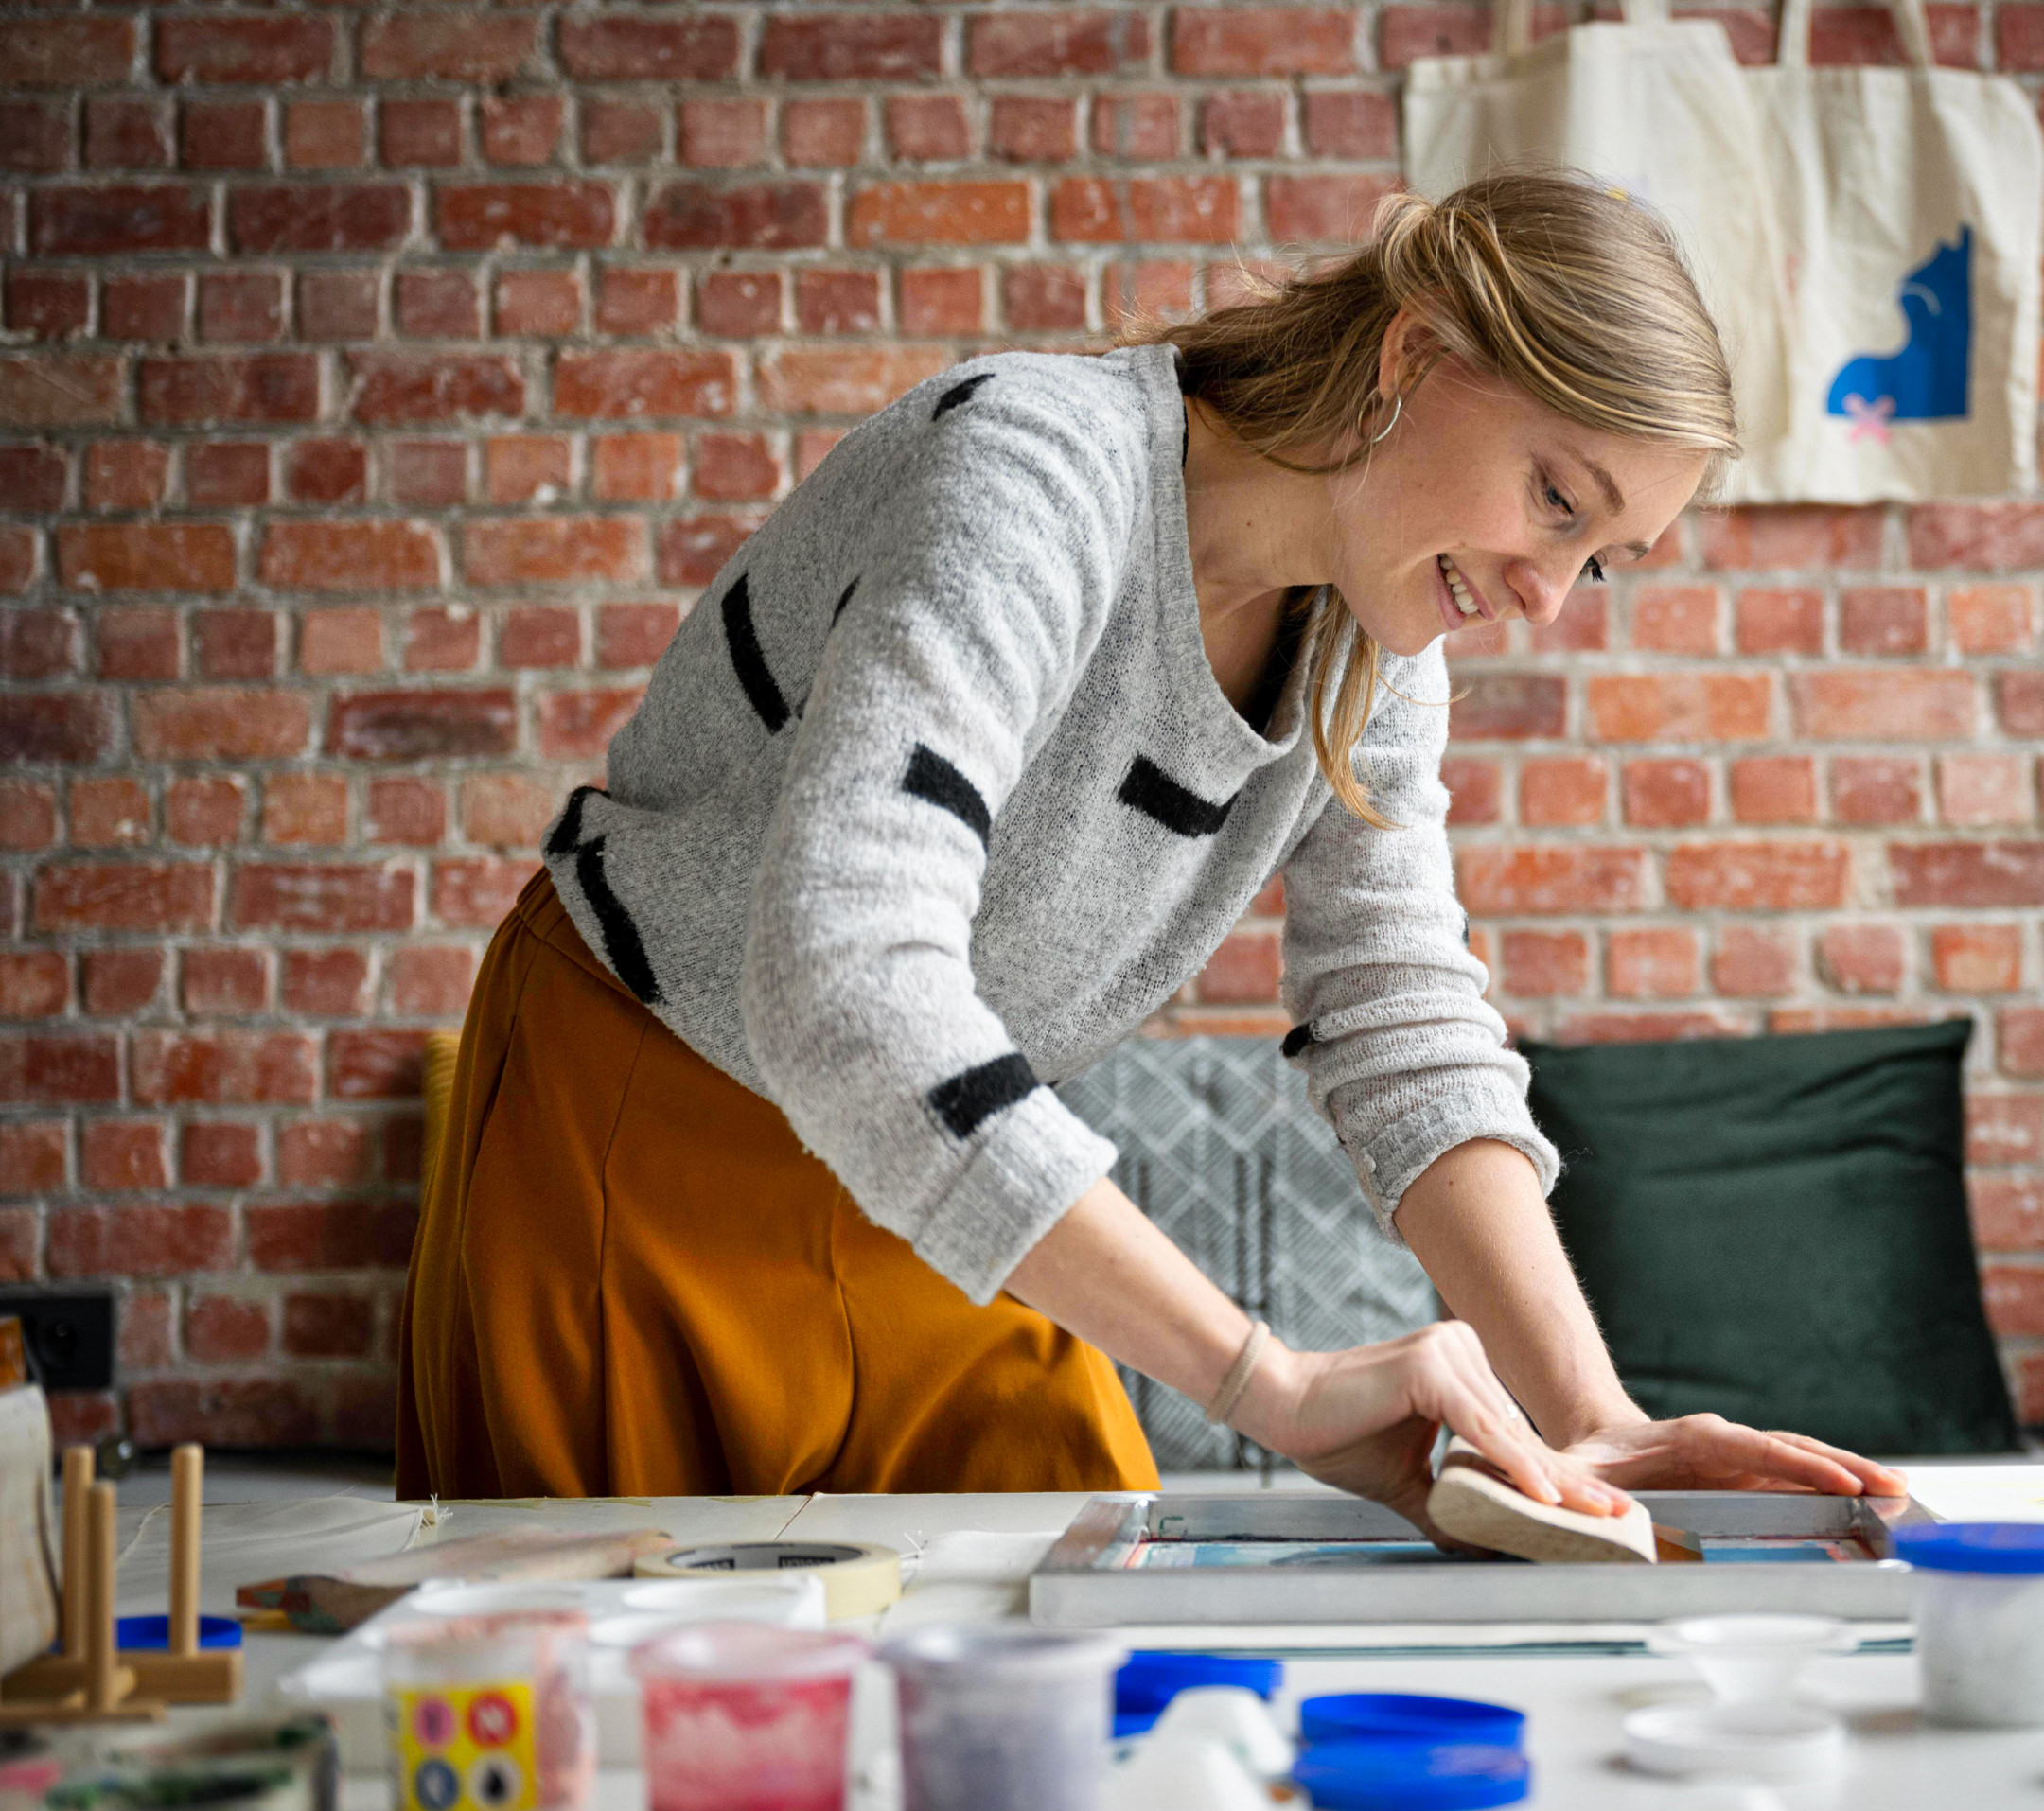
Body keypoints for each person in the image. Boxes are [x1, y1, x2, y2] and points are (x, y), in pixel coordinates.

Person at [395, 168, 1906, 1534]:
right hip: (650, 1122)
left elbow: (1401, 1015)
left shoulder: (1375, 640)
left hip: (948, 1179)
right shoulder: (1033, 474)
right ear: (1413, 357)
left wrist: (1594, 1418)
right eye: (1554, 497)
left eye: (1600, 556)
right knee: (647, 1756)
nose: (1546, 594)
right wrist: (1269, 1381)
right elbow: (845, 973)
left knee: (1079, 1688)